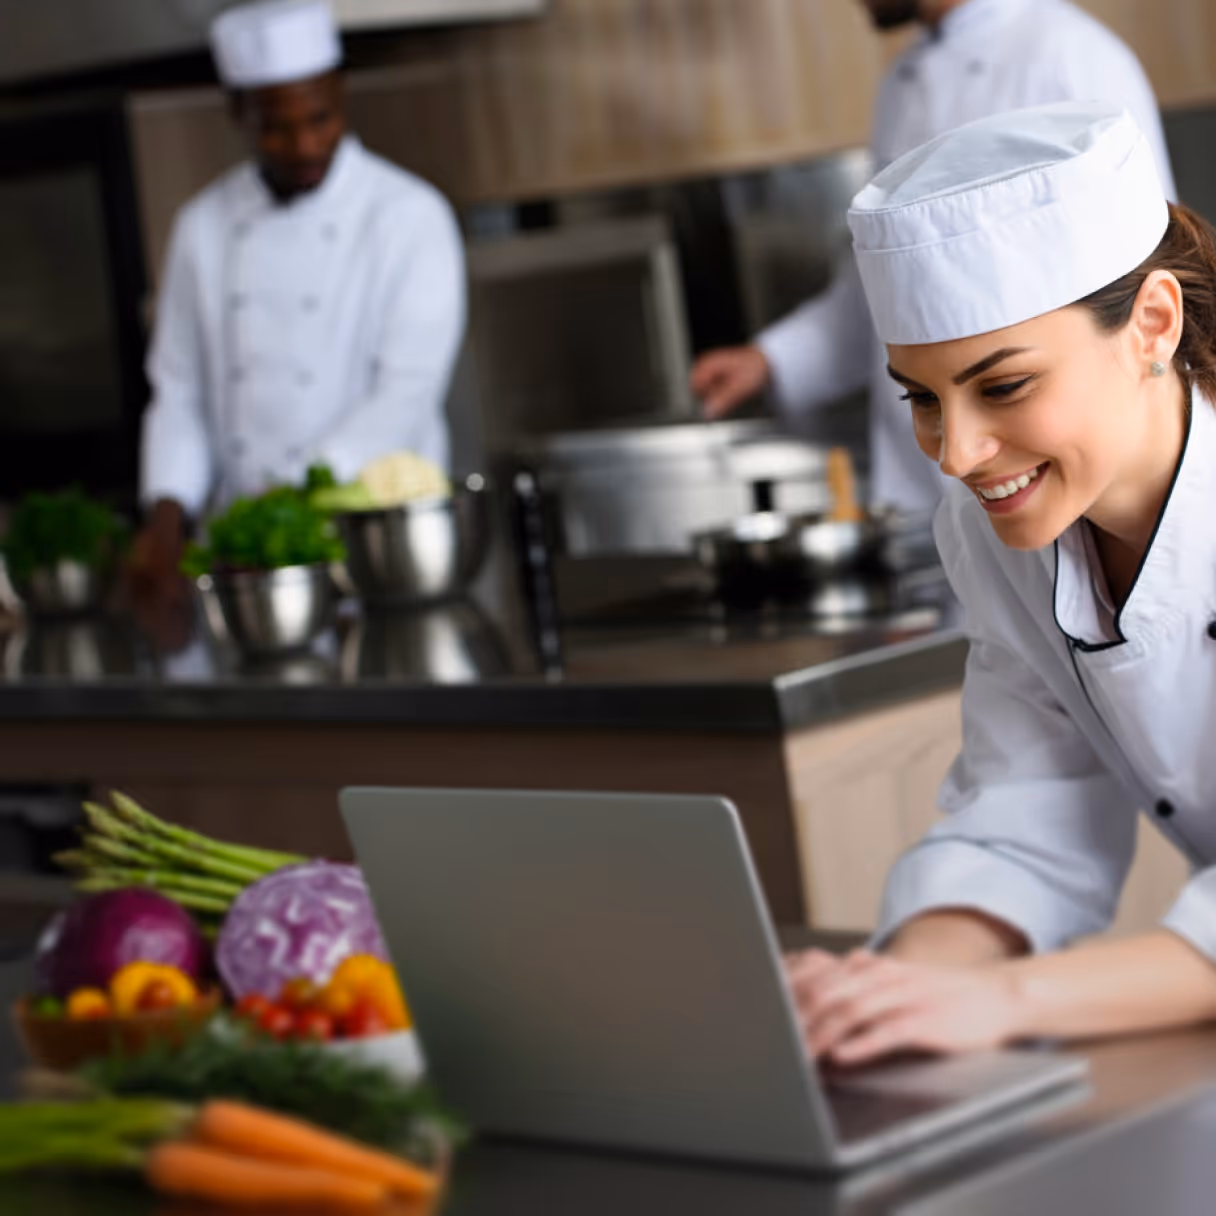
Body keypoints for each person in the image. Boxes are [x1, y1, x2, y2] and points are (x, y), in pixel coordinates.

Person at [782, 101, 1216, 1065]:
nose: (958, 454)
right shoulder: (996, 538)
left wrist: (1006, 1000)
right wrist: (902, 990)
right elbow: (1025, 820)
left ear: (1152, 323)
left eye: (1004, 386)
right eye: (922, 400)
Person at [690, 0, 1176, 515]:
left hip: (1052, 499)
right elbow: (888, 297)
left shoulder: (1072, 58)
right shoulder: (903, 82)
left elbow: (1141, 271)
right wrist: (772, 360)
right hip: (936, 507)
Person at [130, 0, 467, 594]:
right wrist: (166, 519)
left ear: (340, 94)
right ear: (238, 112)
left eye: (320, 117)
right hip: (244, 561)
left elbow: (404, 396)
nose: (305, 143)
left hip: (378, 546)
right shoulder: (202, 227)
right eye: (277, 126)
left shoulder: (409, 216)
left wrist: (284, 512)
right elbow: (178, 390)